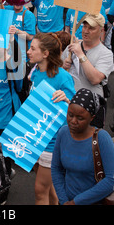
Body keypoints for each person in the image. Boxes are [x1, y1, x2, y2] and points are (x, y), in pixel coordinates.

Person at [27, 32, 76, 205]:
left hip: (52, 142)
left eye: (33, 48)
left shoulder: (63, 77)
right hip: (37, 137)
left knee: (40, 191)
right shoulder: (36, 73)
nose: (28, 51)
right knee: (53, 191)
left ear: (46, 53)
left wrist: (67, 98)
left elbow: (75, 111)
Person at [51, 88, 114, 205]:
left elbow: (112, 178)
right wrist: (64, 201)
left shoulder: (102, 138)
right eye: (70, 115)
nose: (73, 121)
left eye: (80, 118)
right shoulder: (63, 132)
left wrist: (76, 202)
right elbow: (56, 168)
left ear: (91, 118)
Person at [62, 13, 114, 111]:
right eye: (84, 26)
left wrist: (81, 55)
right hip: (68, 100)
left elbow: (95, 79)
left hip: (90, 105)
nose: (86, 31)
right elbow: (56, 71)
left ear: (101, 30)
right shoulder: (73, 46)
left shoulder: (106, 54)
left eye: (91, 28)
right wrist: (63, 66)